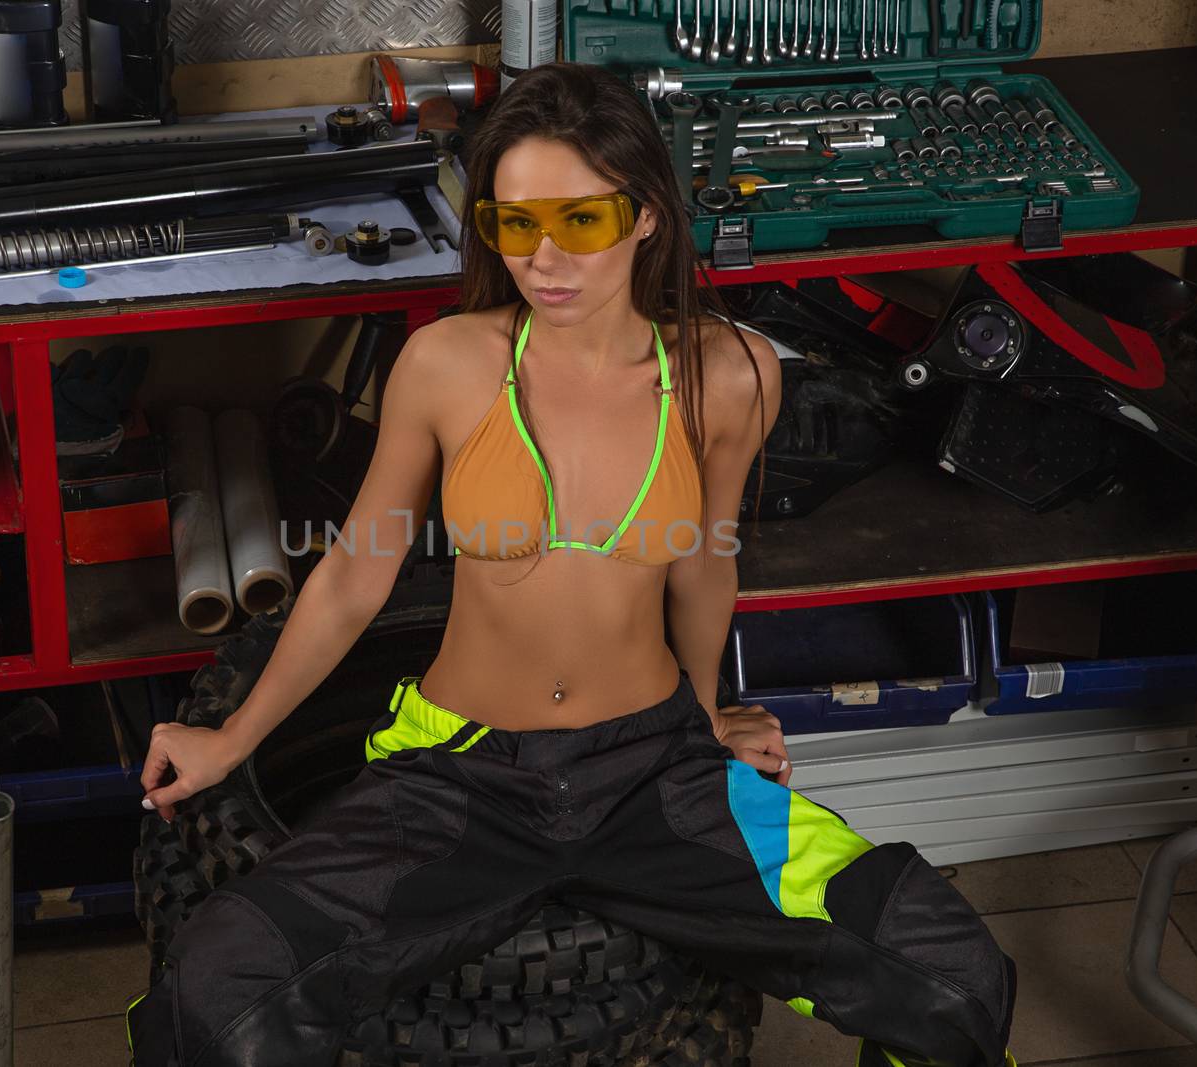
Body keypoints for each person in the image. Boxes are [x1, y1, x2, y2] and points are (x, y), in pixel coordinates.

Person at [126, 61, 1019, 1067]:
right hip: (460, 773)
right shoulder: (449, 364)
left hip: (657, 773)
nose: (542, 258)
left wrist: (709, 710)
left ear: (644, 216)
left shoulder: (731, 375)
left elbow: (704, 561)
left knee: (950, 974)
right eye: (512, 225)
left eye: (578, 223)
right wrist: (229, 737)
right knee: (214, 989)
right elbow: (354, 574)